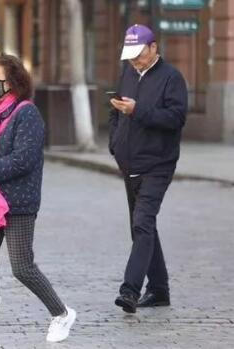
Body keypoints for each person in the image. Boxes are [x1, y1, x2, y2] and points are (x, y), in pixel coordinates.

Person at [0, 55, 76, 346]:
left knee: (22, 267)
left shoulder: (26, 113)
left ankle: (61, 313)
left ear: (12, 81)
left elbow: (24, 158)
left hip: (17, 202)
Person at [109, 24, 187, 314]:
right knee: (143, 227)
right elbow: (115, 109)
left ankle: (130, 290)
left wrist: (137, 110)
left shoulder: (172, 78)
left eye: (139, 55)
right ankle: (159, 289)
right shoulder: (128, 72)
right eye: (130, 57)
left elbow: (176, 118)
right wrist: (114, 143)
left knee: (142, 223)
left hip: (158, 164)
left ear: (154, 48)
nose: (134, 61)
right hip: (129, 162)